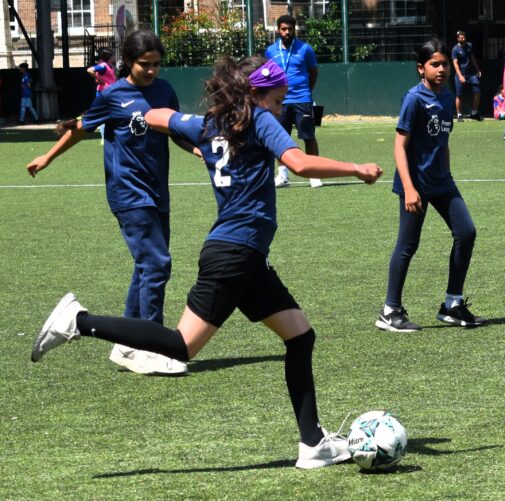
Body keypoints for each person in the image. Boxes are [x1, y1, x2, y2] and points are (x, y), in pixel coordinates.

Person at [30, 56, 383, 470]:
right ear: (257, 94)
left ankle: (313, 444)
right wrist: (356, 168)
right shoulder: (258, 119)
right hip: (235, 254)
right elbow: (298, 163)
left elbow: (157, 116)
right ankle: (79, 321)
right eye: (278, 99)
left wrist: (145, 116)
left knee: (300, 336)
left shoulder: (211, 123)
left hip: (244, 256)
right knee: (183, 345)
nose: (280, 108)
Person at [25, 30, 192, 375]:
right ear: (129, 62)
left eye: (157, 64)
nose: (152, 70)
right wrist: (48, 157)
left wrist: (200, 149)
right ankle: (151, 346)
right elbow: (80, 128)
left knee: (146, 266)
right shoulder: (113, 95)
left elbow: (175, 129)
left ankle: (127, 342)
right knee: (157, 264)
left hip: (157, 190)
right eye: (145, 64)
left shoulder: (164, 90)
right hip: (128, 192)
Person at [376, 38, 484, 332]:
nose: (441, 69)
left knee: (467, 232)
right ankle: (389, 310)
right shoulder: (414, 99)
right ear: (420, 68)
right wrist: (410, 189)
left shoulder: (448, 98)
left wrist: (447, 173)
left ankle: (452, 304)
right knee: (408, 245)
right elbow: (399, 147)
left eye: (445, 64)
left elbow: (442, 142)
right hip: (416, 184)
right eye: (434, 64)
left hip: (442, 182)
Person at [265, 14, 322, 188]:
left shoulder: (305, 49)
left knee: (309, 137)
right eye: (283, 29)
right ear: (278, 30)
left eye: (290, 29)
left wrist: (306, 92)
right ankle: (283, 177)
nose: (287, 32)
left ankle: (314, 174)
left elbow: (313, 72)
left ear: (294, 29)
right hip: (280, 102)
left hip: (302, 99)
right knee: (279, 139)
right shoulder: (270, 51)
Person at [87, 47, 117, 143]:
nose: (114, 57)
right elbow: (90, 70)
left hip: (110, 93)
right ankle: (104, 138)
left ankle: (111, 135)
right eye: (113, 55)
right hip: (103, 93)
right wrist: (99, 80)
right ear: (109, 57)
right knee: (103, 115)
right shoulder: (103, 65)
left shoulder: (110, 66)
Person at [451, 31, 483, 122]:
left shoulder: (469, 46)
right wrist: (460, 76)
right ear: (458, 39)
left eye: (464, 37)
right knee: (459, 95)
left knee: (477, 92)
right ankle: (459, 115)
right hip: (461, 74)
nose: (463, 39)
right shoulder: (455, 49)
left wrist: (477, 69)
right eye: (461, 38)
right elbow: (455, 63)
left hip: (471, 74)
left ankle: (474, 113)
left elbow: (472, 58)